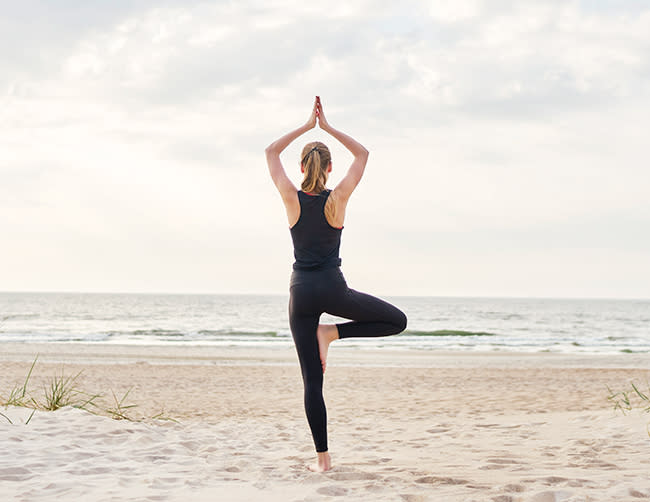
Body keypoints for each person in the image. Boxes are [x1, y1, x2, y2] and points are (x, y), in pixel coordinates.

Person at [264, 96, 407, 472]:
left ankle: (323, 461)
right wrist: (325, 126)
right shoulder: (338, 198)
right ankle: (333, 333)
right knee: (397, 321)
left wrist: (304, 125)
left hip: (301, 294)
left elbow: (269, 151)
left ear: (301, 167)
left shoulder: (290, 197)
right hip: (332, 288)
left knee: (312, 381)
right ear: (329, 168)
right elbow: (362, 155)